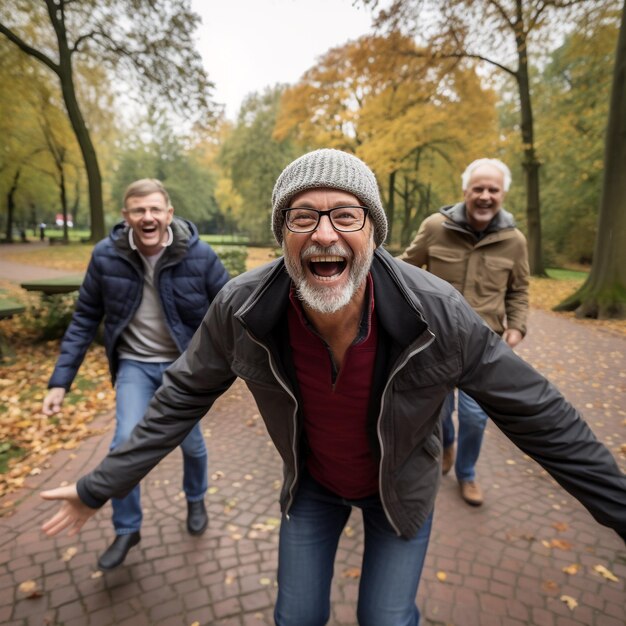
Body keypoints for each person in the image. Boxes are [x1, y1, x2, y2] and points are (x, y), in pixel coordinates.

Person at [40, 150, 625, 626]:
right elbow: (177, 400)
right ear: (282, 234)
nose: (325, 234)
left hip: (401, 490)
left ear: (372, 231)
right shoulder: (241, 310)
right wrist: (98, 487)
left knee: (387, 617)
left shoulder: (438, 314)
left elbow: (540, 415)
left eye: (346, 215)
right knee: (294, 616)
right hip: (313, 487)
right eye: (303, 217)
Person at [41, 178, 229, 570]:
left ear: (169, 214)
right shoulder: (106, 256)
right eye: (139, 210)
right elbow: (84, 318)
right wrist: (60, 382)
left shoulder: (200, 255)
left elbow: (231, 312)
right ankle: (127, 528)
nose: (148, 217)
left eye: (155, 209)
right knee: (124, 444)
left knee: (192, 446)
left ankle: (196, 499)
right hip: (135, 366)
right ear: (126, 216)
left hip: (184, 370)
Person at [399, 158, 528, 507]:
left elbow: (519, 291)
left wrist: (516, 327)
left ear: (502, 194)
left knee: (475, 416)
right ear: (466, 191)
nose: (485, 196)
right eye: (479, 188)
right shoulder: (434, 227)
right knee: (438, 415)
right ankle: (447, 444)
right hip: (433, 345)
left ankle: (467, 474)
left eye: (493, 190)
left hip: (482, 349)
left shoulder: (515, 241)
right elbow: (403, 273)